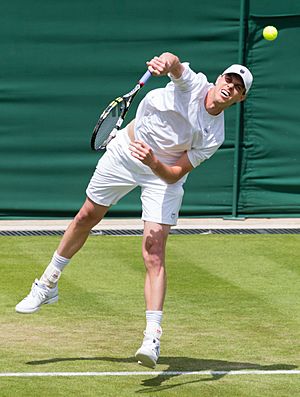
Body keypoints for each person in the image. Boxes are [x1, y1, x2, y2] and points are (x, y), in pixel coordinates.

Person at [15, 52, 253, 368]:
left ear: (239, 99)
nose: (230, 86)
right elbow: (175, 63)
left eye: (238, 87)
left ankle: (151, 338)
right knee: (86, 216)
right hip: (126, 152)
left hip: (160, 171)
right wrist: (163, 63)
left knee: (153, 251)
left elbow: (174, 174)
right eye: (228, 79)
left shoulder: (214, 135)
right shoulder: (194, 85)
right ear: (219, 78)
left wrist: (153, 161)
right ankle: (47, 283)